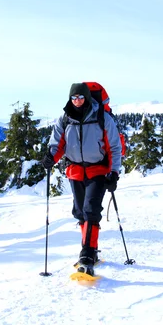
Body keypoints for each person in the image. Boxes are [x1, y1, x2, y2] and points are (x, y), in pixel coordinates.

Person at [42, 82, 122, 276]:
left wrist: (114, 172)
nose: (77, 101)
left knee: (91, 210)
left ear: (87, 97)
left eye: (80, 97)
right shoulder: (65, 118)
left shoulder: (102, 117)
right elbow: (58, 142)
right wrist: (51, 157)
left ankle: (86, 255)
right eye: (73, 98)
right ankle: (91, 249)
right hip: (75, 171)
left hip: (98, 171)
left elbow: (114, 147)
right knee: (79, 212)